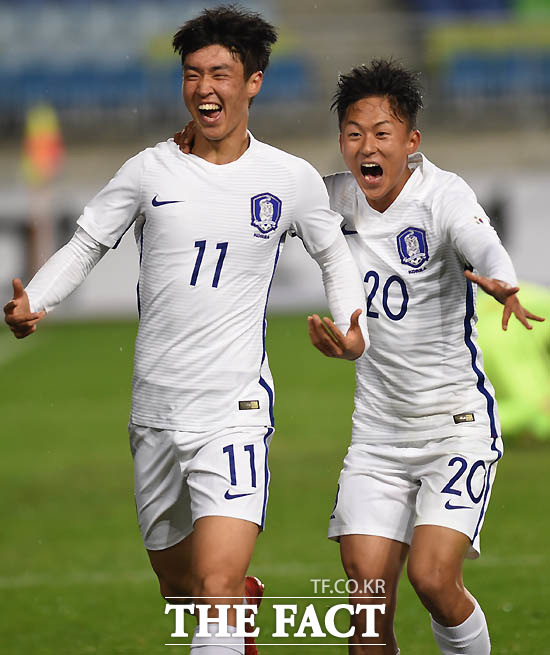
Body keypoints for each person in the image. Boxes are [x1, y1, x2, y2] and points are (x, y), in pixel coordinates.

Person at [3, 6, 368, 655]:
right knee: (180, 588)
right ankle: (234, 612)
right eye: (193, 73)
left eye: (221, 73)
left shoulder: (289, 179)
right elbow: (87, 243)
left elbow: (334, 255)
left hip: (235, 408)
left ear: (253, 81)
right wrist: (39, 300)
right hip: (154, 409)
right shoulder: (149, 170)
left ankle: (230, 602)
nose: (205, 87)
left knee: (216, 581)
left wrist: (350, 326)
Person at [307, 59, 545, 655]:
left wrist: (502, 279)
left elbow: (482, 241)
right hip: (377, 436)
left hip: (455, 426)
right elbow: (251, 203)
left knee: (434, 579)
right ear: (342, 141)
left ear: (410, 142)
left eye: (382, 133)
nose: (367, 145)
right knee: (366, 614)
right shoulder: (329, 198)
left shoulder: (442, 193)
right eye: (354, 133)